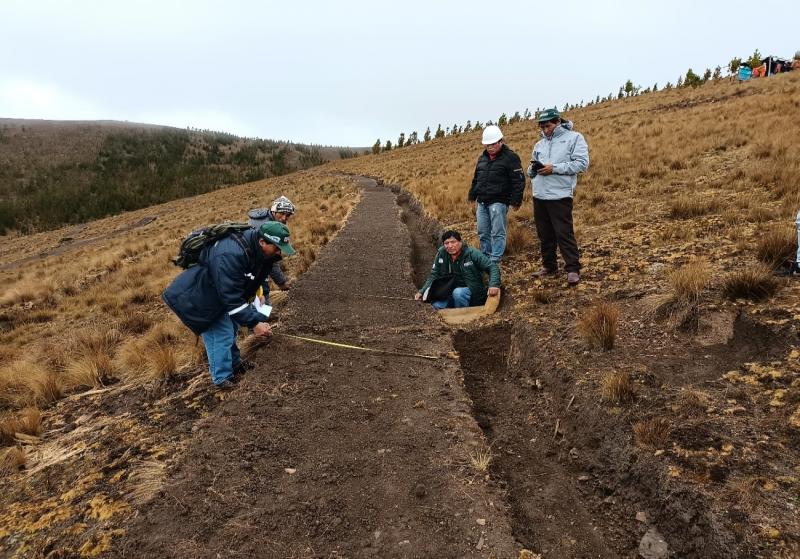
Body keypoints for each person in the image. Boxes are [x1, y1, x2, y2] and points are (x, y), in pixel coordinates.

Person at [163, 221, 295, 390]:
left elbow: (256, 275)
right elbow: (231, 297)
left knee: (232, 328)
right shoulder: (230, 254)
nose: (280, 251)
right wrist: (255, 324)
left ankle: (235, 363)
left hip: (221, 295)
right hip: (201, 298)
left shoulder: (263, 252)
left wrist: (259, 293)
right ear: (263, 242)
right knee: (221, 334)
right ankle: (221, 378)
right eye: (277, 247)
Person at [527, 107, 590, 286]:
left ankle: (572, 269)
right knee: (544, 234)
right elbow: (530, 168)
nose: (545, 130)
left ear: (557, 122)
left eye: (548, 126)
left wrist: (554, 168)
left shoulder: (574, 138)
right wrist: (531, 170)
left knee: (564, 233)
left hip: (560, 195)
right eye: (542, 127)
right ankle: (549, 266)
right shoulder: (540, 144)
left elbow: (582, 164)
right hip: (539, 194)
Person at [467, 125, 525, 263]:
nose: (490, 147)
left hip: (499, 202)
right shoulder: (482, 158)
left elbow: (519, 180)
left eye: (493, 144)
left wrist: (516, 201)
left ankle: (494, 260)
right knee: (483, 232)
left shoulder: (511, 157)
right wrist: (472, 195)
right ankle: (485, 257)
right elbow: (477, 178)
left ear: (501, 141)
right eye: (487, 144)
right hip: (482, 201)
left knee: (498, 232)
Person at [415, 230, 501, 309]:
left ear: (460, 242)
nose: (450, 246)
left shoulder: (472, 253)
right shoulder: (441, 254)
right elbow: (434, 274)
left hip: (472, 291)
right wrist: (422, 291)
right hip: (448, 291)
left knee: (458, 293)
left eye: (453, 242)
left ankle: (462, 317)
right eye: (446, 243)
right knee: (436, 306)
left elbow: (492, 267)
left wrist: (494, 284)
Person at [247, 196, 296, 303]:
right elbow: (270, 261)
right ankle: (262, 316)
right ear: (274, 211)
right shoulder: (266, 227)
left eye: (287, 215)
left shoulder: (265, 219)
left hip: (251, 263)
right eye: (281, 213)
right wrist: (282, 283)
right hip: (253, 265)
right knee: (263, 292)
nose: (284, 218)